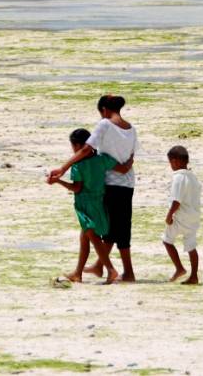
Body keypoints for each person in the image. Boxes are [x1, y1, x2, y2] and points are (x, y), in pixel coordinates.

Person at [48, 94, 138, 282]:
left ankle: (118, 270)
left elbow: (86, 149)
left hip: (109, 185)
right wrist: (129, 163)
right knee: (115, 227)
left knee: (112, 230)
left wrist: (63, 168)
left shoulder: (105, 124)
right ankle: (87, 270)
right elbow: (127, 159)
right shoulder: (131, 129)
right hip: (127, 182)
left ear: (104, 110)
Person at [49, 128, 119, 284]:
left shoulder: (77, 166)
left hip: (84, 205)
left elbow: (77, 188)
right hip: (100, 201)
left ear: (78, 146)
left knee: (92, 236)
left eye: (73, 146)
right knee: (84, 238)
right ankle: (78, 273)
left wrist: (58, 181)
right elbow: (118, 164)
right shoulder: (101, 159)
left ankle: (110, 269)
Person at [163, 145, 201, 285]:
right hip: (194, 216)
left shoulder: (178, 177)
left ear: (175, 161)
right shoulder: (193, 177)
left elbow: (176, 201)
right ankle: (194, 276)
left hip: (180, 217)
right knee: (191, 246)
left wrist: (169, 215)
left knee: (167, 240)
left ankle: (179, 268)